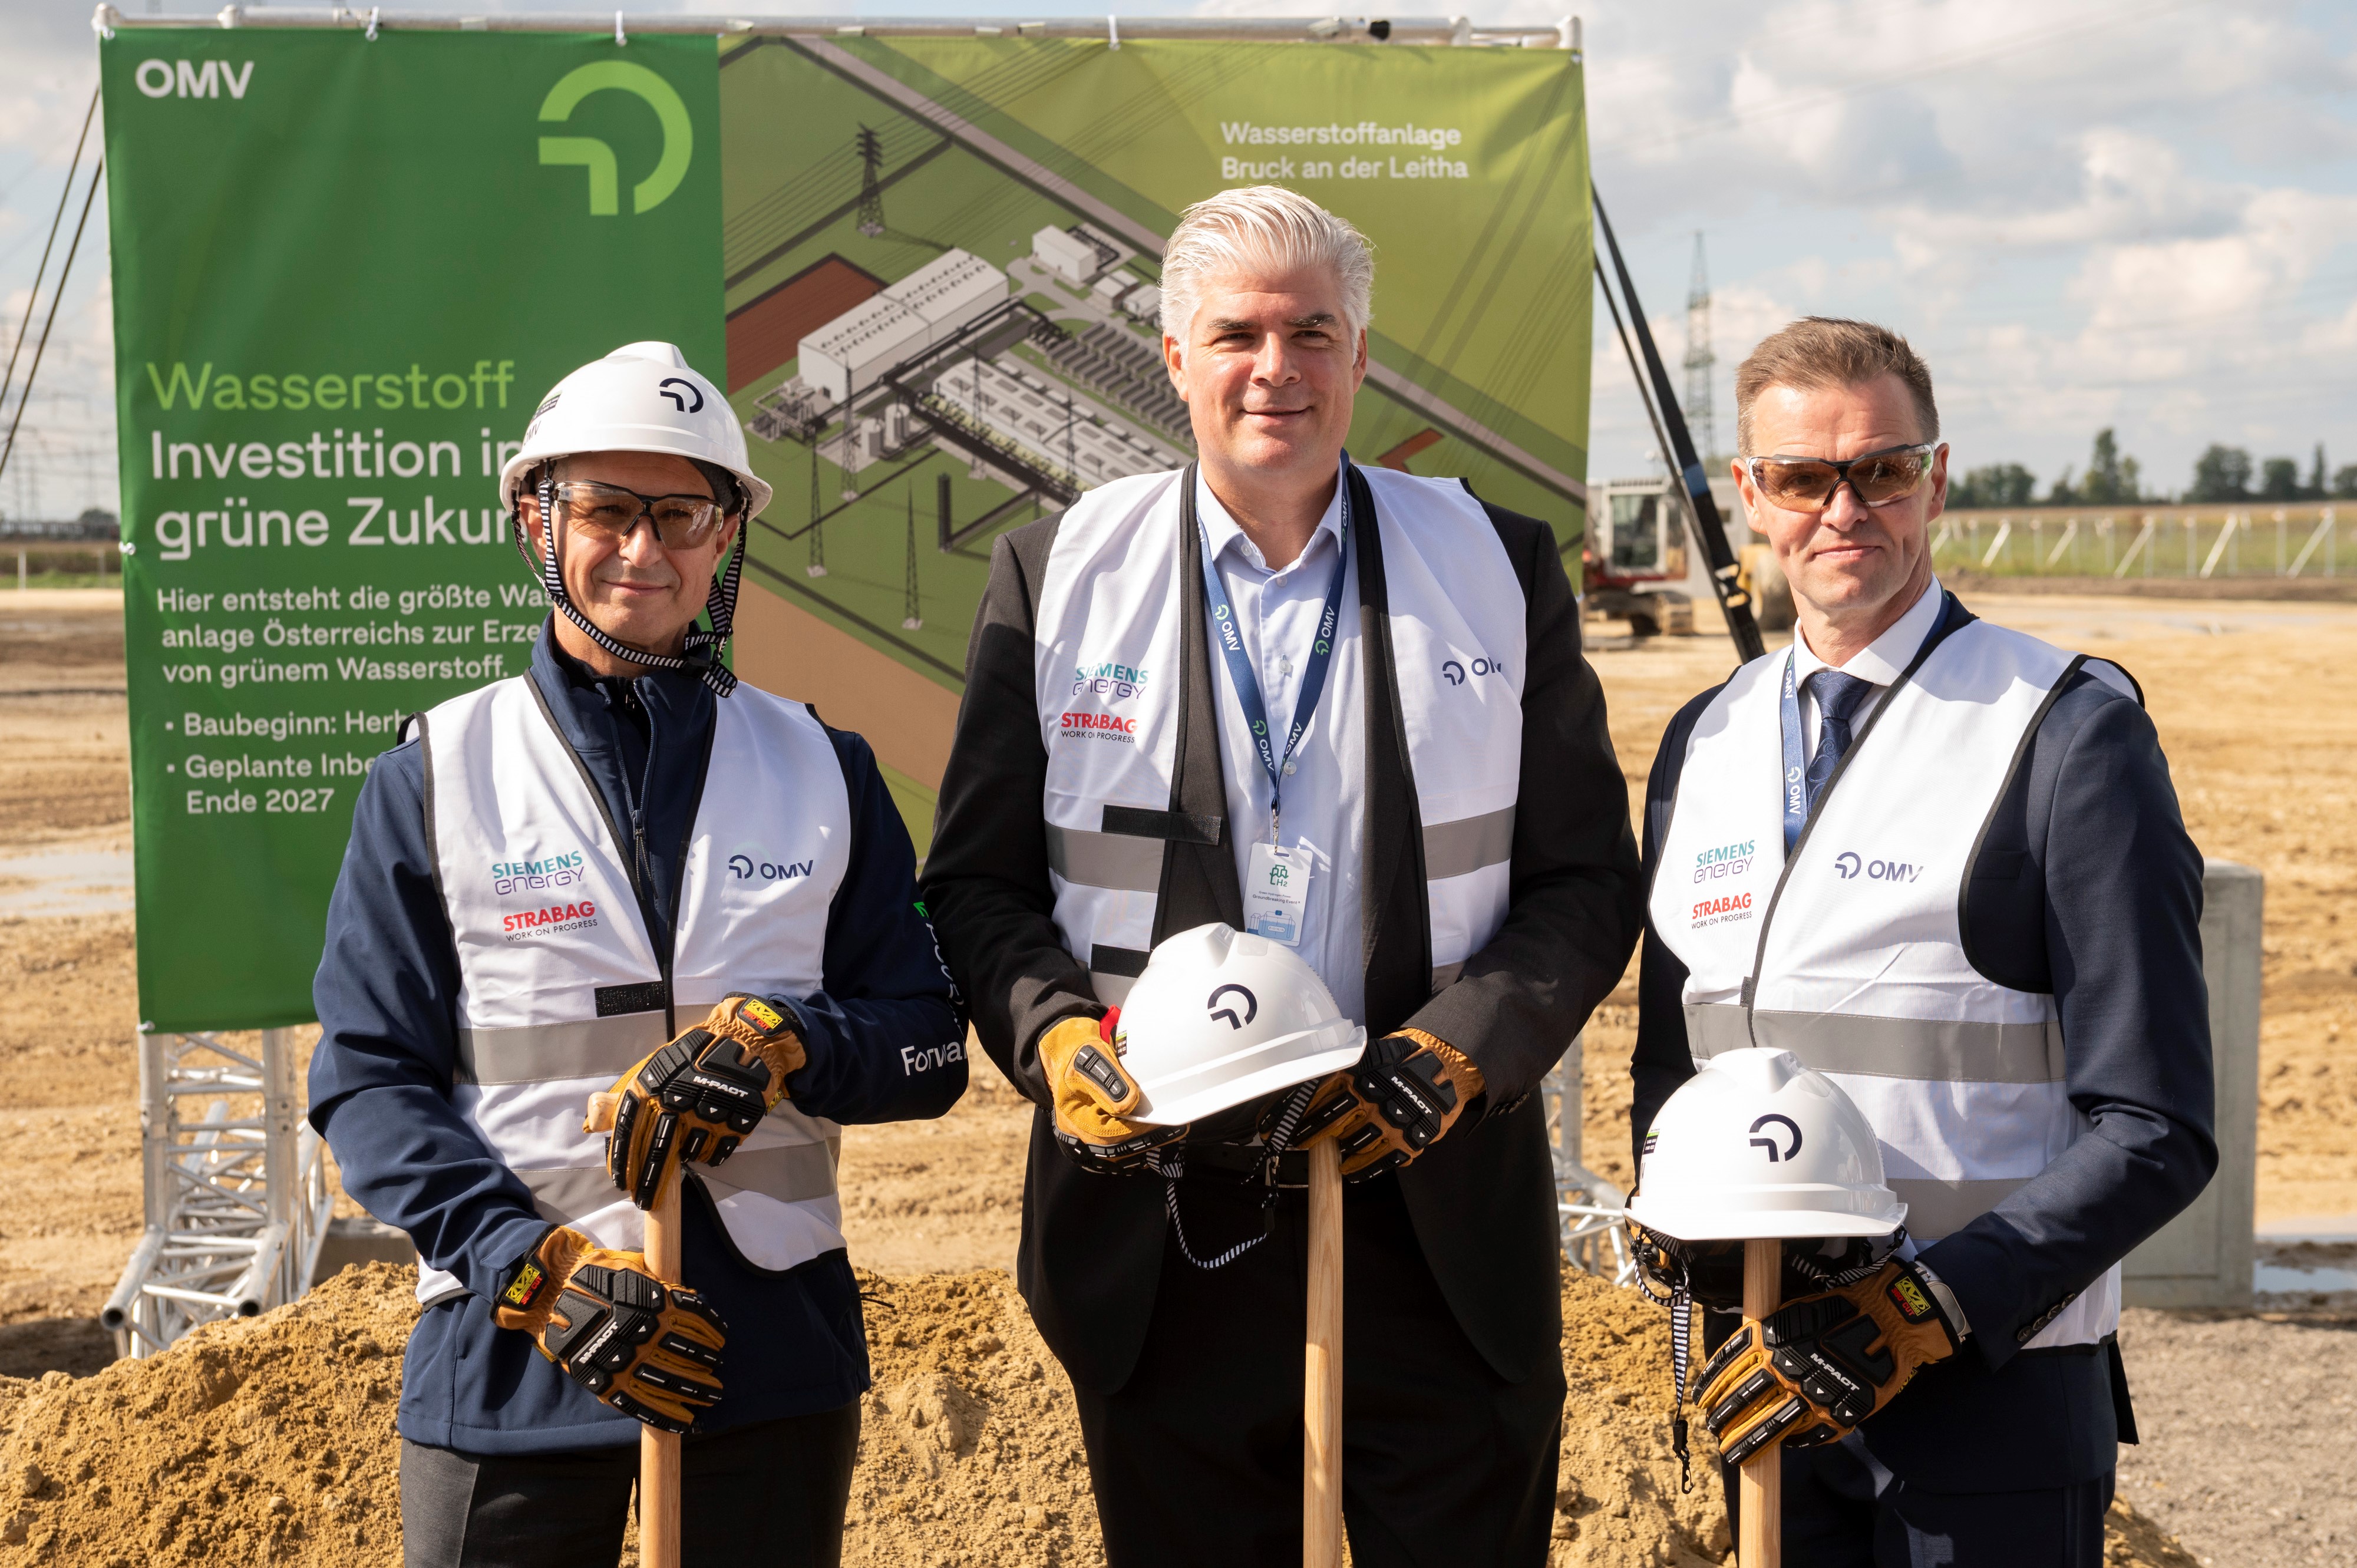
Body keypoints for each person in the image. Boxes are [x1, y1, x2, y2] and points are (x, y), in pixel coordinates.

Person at [919, 186, 1643, 1566]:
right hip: (1161, 1226)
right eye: (1236, 334)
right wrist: (1054, 1034)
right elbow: (975, 885)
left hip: (1431, 1222)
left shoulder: (1493, 564)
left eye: (1312, 332)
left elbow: (1586, 881)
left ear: (1359, 356)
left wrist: (1460, 1049)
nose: (1276, 369)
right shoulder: (1057, 572)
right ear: (1172, 356)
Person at [308, 342, 966, 1567]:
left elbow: (929, 1046)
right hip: (515, 1355)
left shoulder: (825, 768)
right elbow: (366, 1084)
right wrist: (531, 1268)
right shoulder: (435, 777)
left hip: (763, 1364)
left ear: (727, 534)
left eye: (679, 514)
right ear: (537, 519)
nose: (641, 549)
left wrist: (794, 1041)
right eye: (605, 509)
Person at [1629, 318, 2216, 1566]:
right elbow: (1673, 1062)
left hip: (1987, 1399)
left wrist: (1927, 1306)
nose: (1843, 509)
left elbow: (2156, 1124)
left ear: (1934, 480)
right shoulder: (1703, 742)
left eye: (1882, 470)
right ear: (1750, 495)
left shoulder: (2064, 731)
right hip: (1768, 1387)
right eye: (1803, 477)